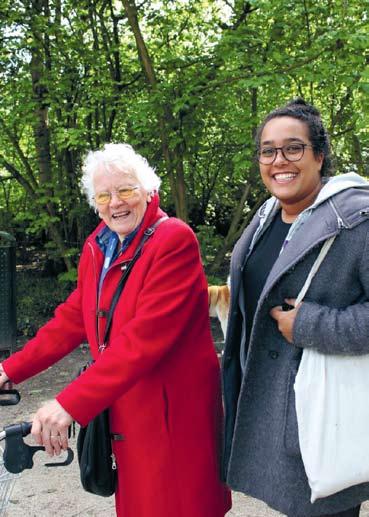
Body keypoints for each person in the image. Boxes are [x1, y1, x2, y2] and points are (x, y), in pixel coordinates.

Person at [0, 143, 231, 517]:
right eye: (103, 195)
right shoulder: (100, 245)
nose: (115, 203)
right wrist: (9, 370)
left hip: (171, 419)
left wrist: (68, 404)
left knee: (178, 506)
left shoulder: (173, 240)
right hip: (127, 409)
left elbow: (142, 341)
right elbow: (73, 319)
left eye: (125, 190)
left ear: (148, 191)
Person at [222, 98, 369, 517]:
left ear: (319, 155)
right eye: (268, 150)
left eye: (293, 148)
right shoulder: (269, 215)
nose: (278, 160)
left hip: (328, 414)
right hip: (280, 413)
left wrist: (310, 323)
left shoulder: (356, 221)